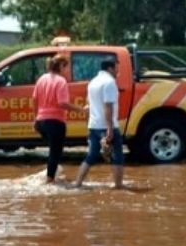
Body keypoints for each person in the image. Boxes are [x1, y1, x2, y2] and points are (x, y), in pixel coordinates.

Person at [32, 54, 84, 183]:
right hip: (55, 122)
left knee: (52, 151)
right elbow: (62, 103)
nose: (68, 71)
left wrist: (35, 119)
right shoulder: (61, 81)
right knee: (55, 153)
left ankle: (51, 174)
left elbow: (34, 99)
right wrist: (80, 110)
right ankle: (50, 180)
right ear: (61, 66)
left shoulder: (42, 79)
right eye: (67, 67)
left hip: (41, 122)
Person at [75, 58, 124, 189]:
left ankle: (77, 183)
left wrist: (88, 126)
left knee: (91, 156)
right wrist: (110, 128)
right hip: (106, 126)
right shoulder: (109, 82)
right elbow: (108, 106)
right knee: (117, 156)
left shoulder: (92, 82)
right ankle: (119, 187)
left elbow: (89, 105)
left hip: (94, 126)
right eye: (116, 68)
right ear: (110, 68)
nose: (118, 71)